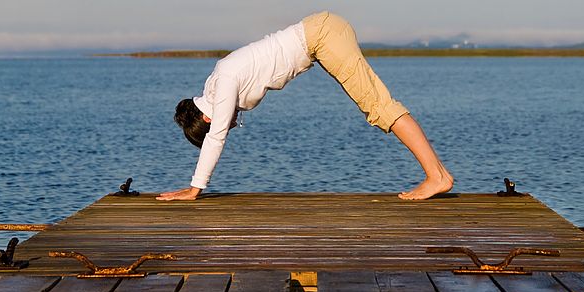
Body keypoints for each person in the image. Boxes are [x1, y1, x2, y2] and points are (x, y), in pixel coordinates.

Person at [157, 11, 454, 201]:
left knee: (379, 107)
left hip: (322, 36)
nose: (232, 125)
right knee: (377, 105)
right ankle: (440, 176)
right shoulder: (218, 82)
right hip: (321, 36)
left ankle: (434, 177)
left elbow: (216, 136)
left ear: (206, 118)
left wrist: (195, 187)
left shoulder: (221, 86)